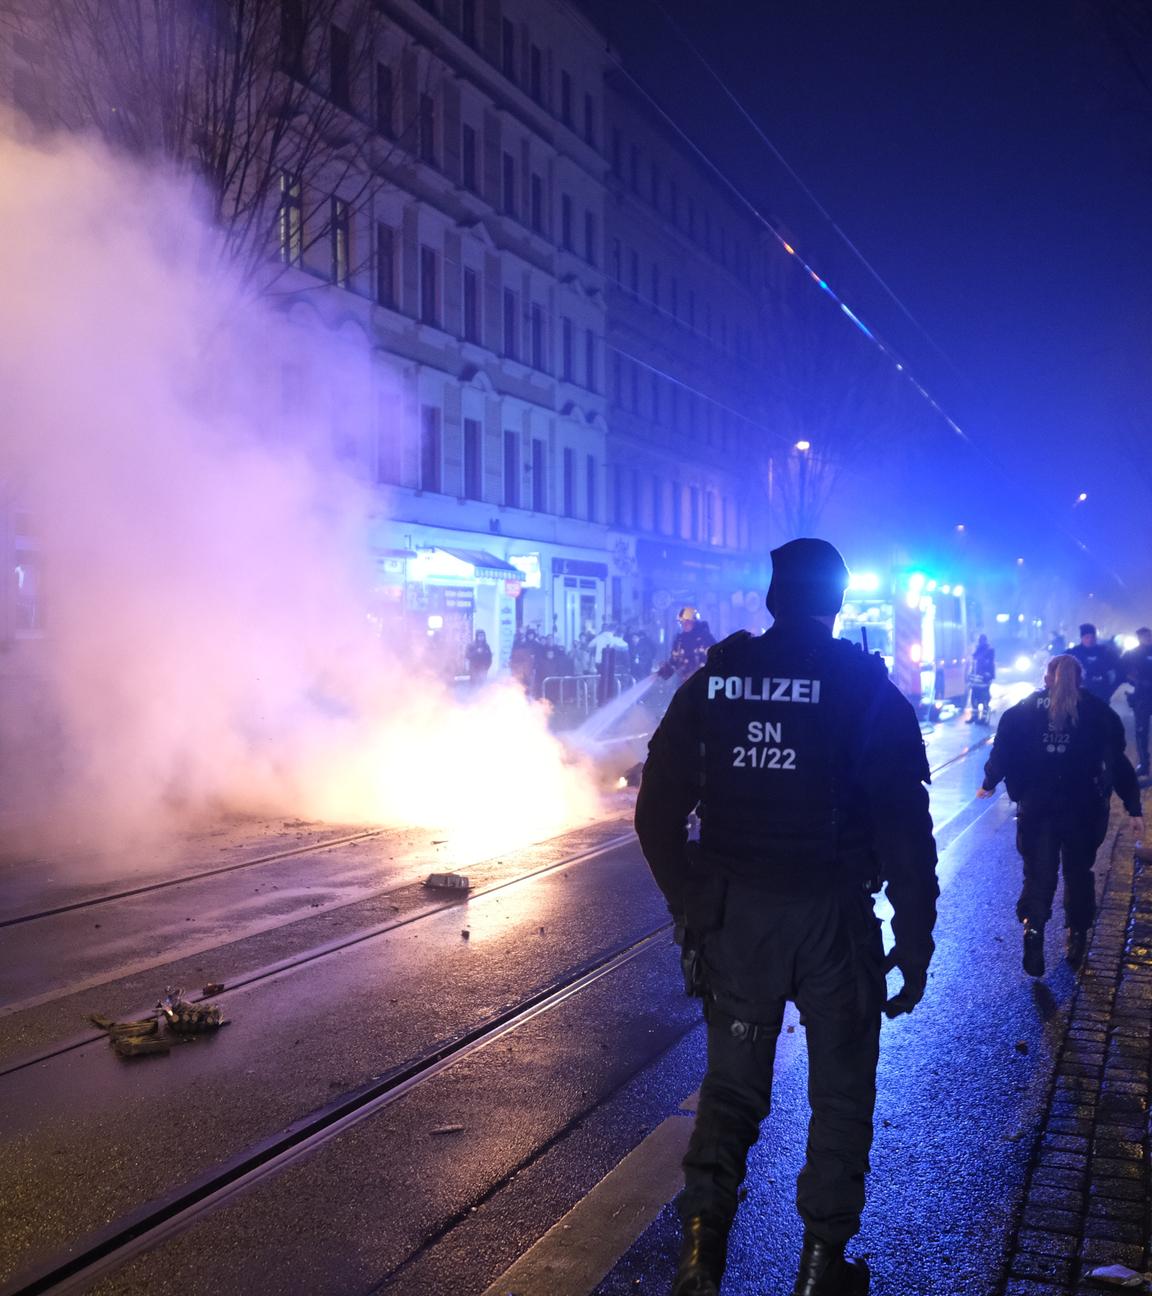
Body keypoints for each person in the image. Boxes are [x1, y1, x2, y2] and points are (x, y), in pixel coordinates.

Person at [636, 539, 939, 1296]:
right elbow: (905, 827)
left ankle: (702, 1256)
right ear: (835, 603)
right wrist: (915, 937)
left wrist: (692, 903)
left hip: (740, 921)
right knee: (840, 1096)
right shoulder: (863, 688)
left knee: (732, 1094)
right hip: (834, 920)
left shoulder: (718, 679)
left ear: (773, 599)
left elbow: (654, 812)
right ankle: (819, 1271)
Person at [978, 655, 1144, 974]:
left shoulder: (1022, 711)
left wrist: (989, 782)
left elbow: (1002, 751)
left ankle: (1034, 929)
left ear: (1046, 679)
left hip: (1037, 805)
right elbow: (1117, 760)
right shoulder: (1097, 711)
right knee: (1078, 871)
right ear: (1080, 680)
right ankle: (1077, 934)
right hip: (1084, 806)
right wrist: (1133, 806)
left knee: (1039, 873)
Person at [1121, 627, 1152, 777]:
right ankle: (1144, 764)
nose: (1148, 638)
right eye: (1145, 636)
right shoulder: (1133, 654)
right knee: (1141, 732)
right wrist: (1137, 682)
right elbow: (1123, 671)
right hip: (1141, 697)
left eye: (1149, 635)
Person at [1067, 623, 1121, 704]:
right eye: (1087, 637)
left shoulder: (1105, 651)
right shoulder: (1073, 653)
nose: (1090, 640)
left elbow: (1118, 669)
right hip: (1081, 693)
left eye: (1092, 637)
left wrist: (1111, 688)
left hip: (1103, 692)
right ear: (1082, 638)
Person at [658, 606, 717, 679]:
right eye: (682, 622)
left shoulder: (706, 638)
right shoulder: (679, 640)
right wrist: (666, 670)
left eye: (687, 622)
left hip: (704, 682)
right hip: (685, 683)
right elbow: (674, 662)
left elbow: (716, 660)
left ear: (694, 621)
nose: (684, 625)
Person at [966, 633, 996, 725]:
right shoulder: (977, 651)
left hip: (983, 682)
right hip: (975, 683)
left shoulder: (988, 651)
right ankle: (974, 717)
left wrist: (988, 677)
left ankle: (984, 719)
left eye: (980, 640)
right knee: (974, 702)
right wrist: (969, 679)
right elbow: (973, 667)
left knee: (984, 701)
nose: (979, 642)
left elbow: (990, 666)